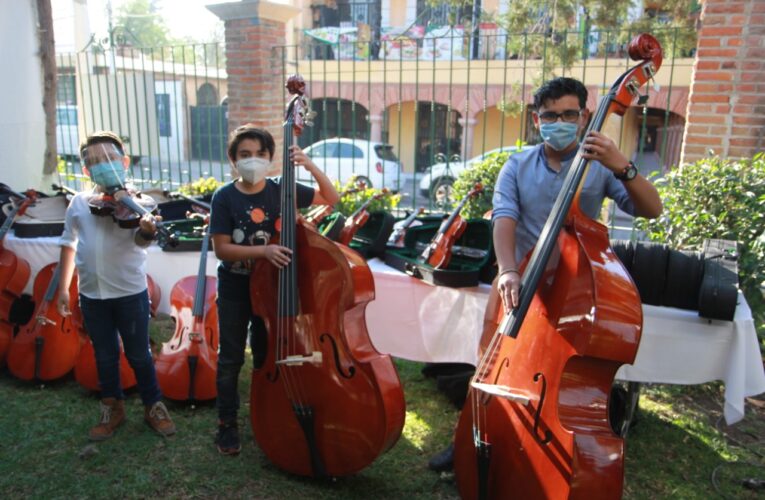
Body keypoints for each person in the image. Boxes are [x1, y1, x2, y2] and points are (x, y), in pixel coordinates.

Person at [427, 76, 662, 472]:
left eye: (569, 113)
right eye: (550, 115)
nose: (560, 121)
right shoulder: (517, 165)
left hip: (575, 291)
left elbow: (651, 209)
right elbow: (504, 218)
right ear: (537, 120)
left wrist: (622, 165)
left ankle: (545, 452)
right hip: (520, 284)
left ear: (585, 116)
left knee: (559, 376)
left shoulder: (601, 166)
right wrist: (506, 272)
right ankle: (469, 438)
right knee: (489, 363)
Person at [209, 124, 339, 455]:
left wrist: (308, 165)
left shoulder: (283, 189)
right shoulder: (224, 197)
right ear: (233, 160)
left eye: (260, 154)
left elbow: (331, 198)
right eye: (245, 155)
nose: (253, 160)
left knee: (268, 355)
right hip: (237, 286)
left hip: (274, 290)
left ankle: (267, 412)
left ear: (270, 158)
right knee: (231, 357)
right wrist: (263, 252)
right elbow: (223, 249)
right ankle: (227, 424)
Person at [57, 131, 176, 441]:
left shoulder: (141, 203)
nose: (102, 165)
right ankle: (113, 407)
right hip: (92, 295)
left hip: (130, 294)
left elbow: (139, 241)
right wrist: (61, 288)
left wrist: (148, 230)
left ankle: (153, 405)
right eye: (94, 162)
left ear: (124, 162)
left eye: (109, 159)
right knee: (104, 355)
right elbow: (68, 244)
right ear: (86, 170)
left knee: (139, 355)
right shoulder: (79, 203)